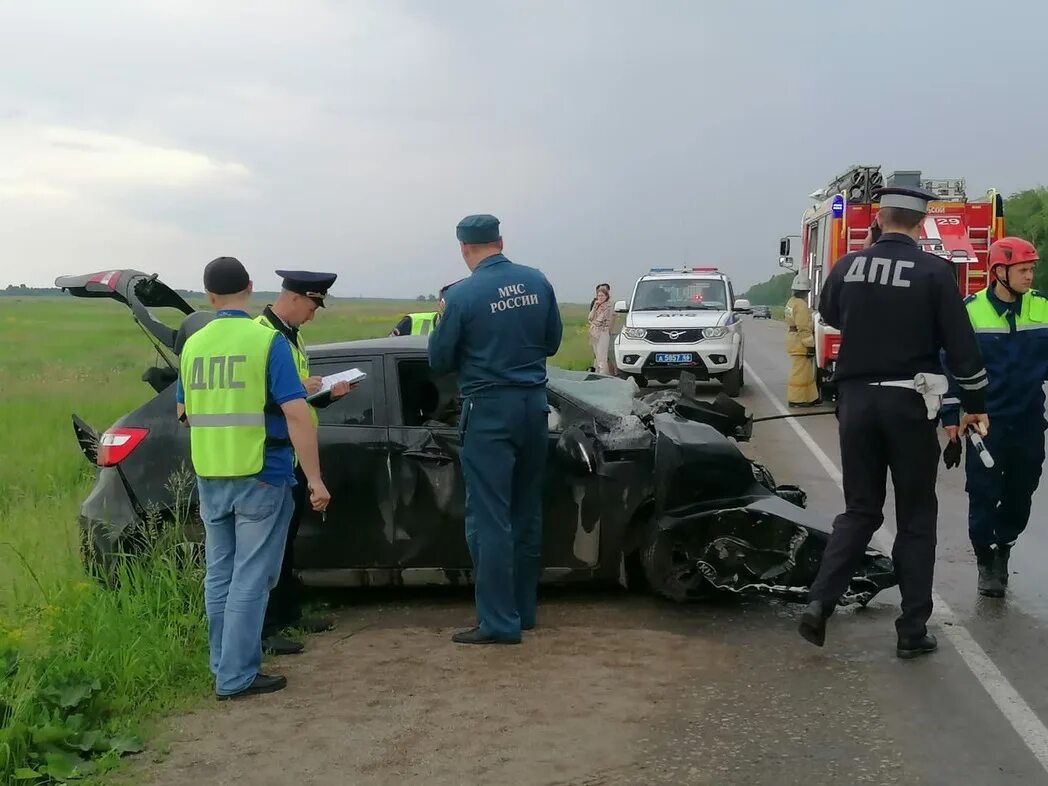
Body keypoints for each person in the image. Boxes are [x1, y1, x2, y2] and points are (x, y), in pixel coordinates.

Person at [796, 186, 990, 660]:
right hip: (910, 404)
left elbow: (829, 312)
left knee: (860, 511)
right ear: (921, 224)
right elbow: (961, 348)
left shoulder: (847, 267)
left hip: (857, 403)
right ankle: (911, 630)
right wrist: (975, 401)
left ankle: (820, 602)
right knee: (917, 518)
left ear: (878, 220)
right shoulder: (934, 272)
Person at [176, 256, 331, 699]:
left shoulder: (193, 346)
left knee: (219, 575)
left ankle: (222, 666)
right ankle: (237, 676)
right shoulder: (265, 342)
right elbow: (297, 414)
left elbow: (183, 414)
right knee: (251, 578)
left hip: (211, 475)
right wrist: (315, 480)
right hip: (263, 474)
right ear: (249, 287)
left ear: (208, 295)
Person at [428, 214, 563, 645]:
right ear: (500, 241)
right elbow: (553, 341)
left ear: (464, 249)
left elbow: (439, 360)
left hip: (488, 412)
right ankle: (523, 613)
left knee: (489, 519)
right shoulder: (537, 281)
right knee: (526, 513)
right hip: (533, 407)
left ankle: (498, 624)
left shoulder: (462, 295)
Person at [940, 237, 1047, 598]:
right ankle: (986, 560)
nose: (1029, 275)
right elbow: (951, 366)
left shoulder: (1044, 307)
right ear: (999, 272)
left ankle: (1005, 543)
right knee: (983, 492)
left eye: (1031, 269)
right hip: (984, 421)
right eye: (1023, 269)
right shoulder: (970, 311)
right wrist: (952, 417)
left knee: (1023, 490)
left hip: (1030, 419)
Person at [256, 270, 352, 656]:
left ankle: (289, 614)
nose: (313, 315)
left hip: (293, 452)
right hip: (272, 452)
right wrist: (302, 388)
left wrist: (326, 394)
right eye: (312, 306)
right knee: (269, 547)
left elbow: (297, 398)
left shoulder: (291, 336)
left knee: (288, 542)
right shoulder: (264, 335)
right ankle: (267, 628)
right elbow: (269, 397)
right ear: (294, 298)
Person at [784, 273, 819, 407]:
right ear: (806, 291)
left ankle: (810, 397)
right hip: (800, 342)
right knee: (799, 372)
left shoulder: (791, 302)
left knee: (806, 372)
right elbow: (803, 327)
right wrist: (809, 344)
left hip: (793, 339)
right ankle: (796, 399)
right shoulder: (801, 305)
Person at [587, 284, 613, 374]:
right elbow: (590, 318)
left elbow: (601, 320)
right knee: (597, 356)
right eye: (599, 295)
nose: (600, 297)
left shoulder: (608, 306)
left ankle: (603, 374)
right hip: (594, 333)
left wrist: (595, 323)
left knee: (602, 356)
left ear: (606, 296)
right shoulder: (596, 305)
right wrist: (595, 307)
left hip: (602, 332)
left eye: (602, 295)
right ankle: (598, 373)